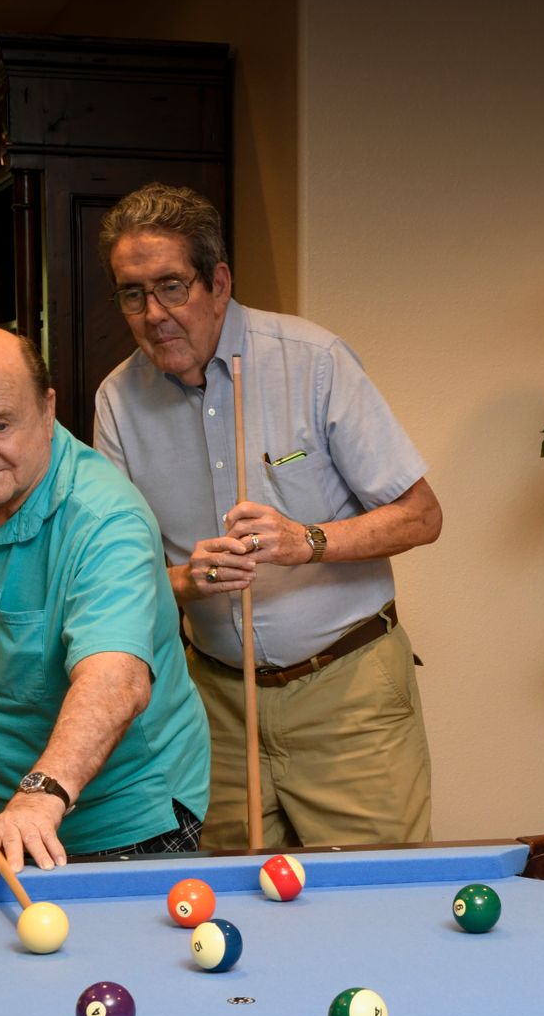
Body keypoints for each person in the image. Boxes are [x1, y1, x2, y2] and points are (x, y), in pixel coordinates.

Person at [93, 183, 441, 851]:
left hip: (349, 697)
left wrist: (305, 541)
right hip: (216, 708)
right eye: (132, 293)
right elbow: (117, 582)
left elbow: (420, 516)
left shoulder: (315, 363)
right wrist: (186, 581)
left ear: (218, 281)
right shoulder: (118, 402)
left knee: (370, 912)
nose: (154, 313)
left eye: (172, 286)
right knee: (233, 916)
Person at [0, 323, 210, 870]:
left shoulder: (106, 519)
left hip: (119, 817)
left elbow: (115, 678)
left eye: (1, 425)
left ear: (47, 408)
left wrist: (37, 797)